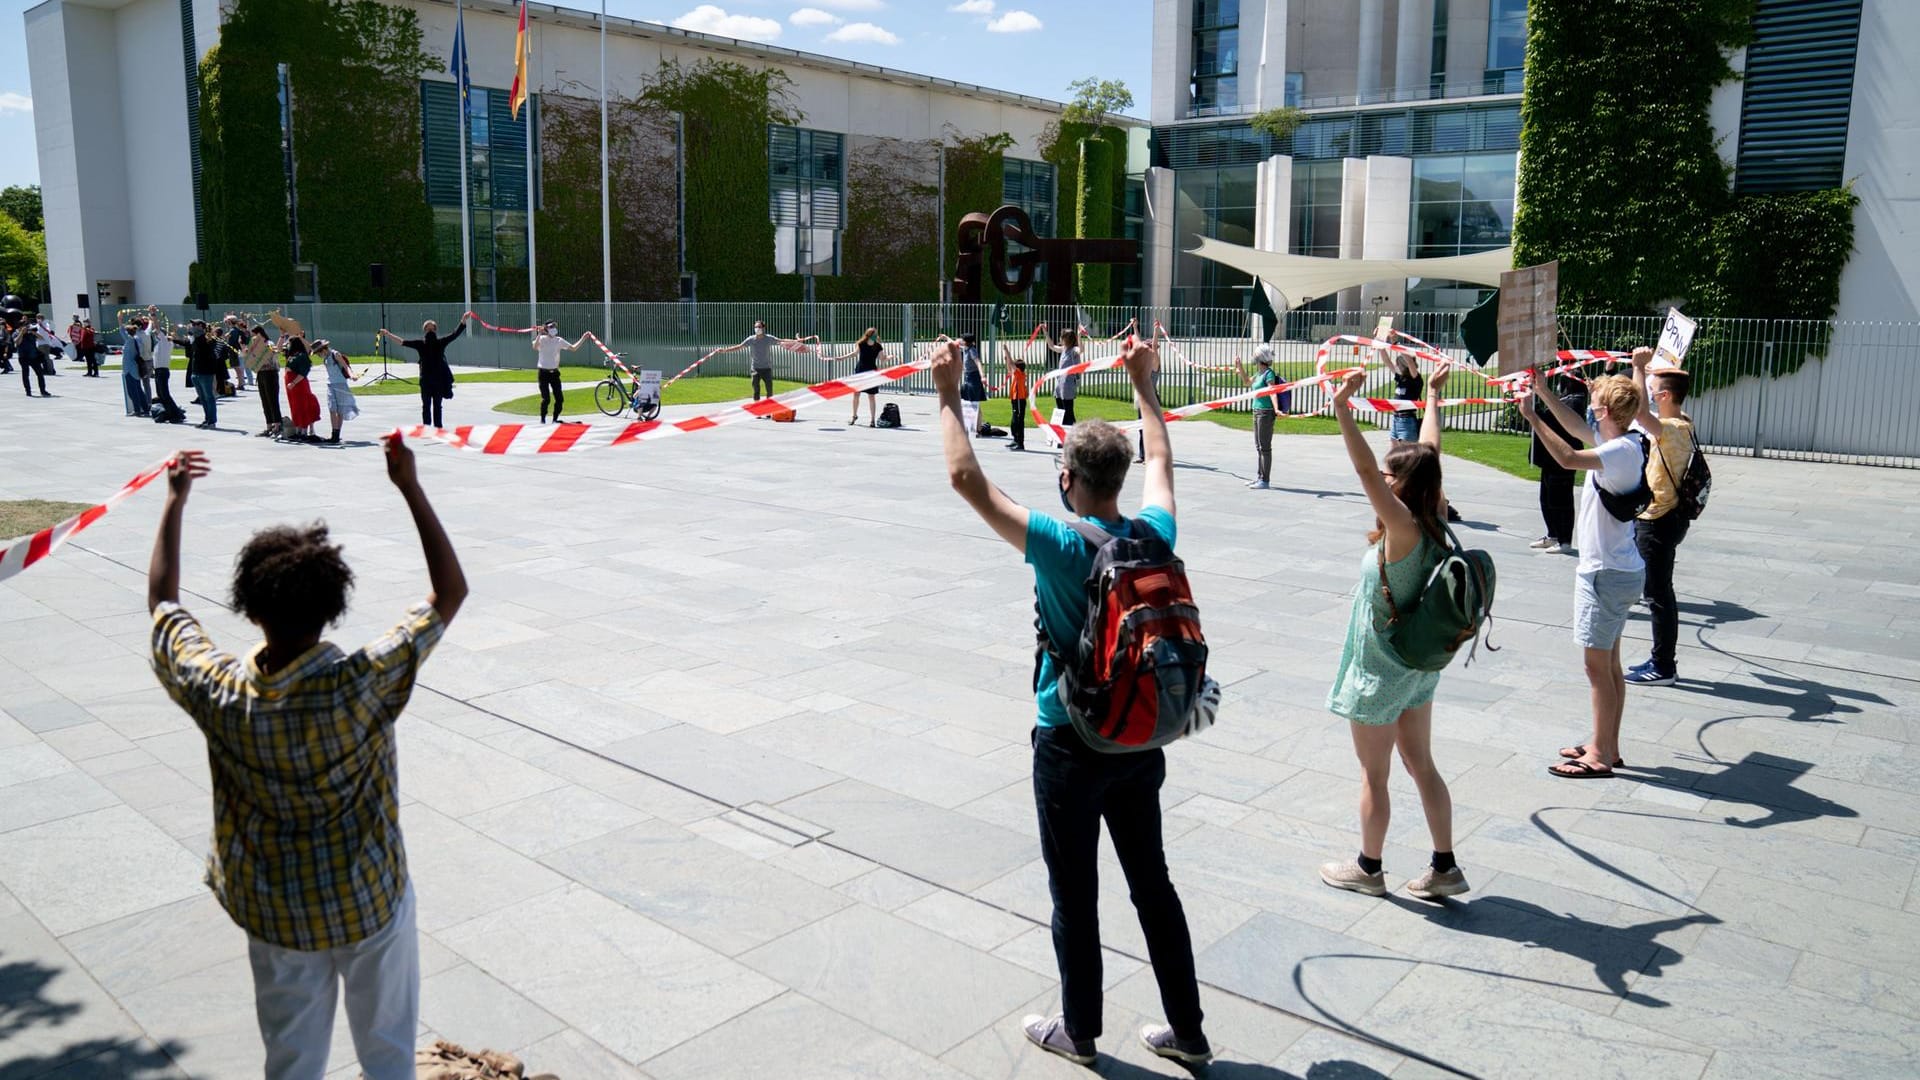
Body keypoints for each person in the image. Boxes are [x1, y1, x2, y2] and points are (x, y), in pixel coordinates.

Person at [146, 434, 466, 1080]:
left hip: (277, 910)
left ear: (252, 609)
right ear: (332, 607)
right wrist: (408, 485)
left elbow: (163, 605)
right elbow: (449, 593)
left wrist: (175, 501)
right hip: (369, 900)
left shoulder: (221, 692)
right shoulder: (361, 685)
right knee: (388, 1052)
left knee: (291, 1061)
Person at [933, 337, 1213, 1067]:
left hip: (1069, 737)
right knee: (1153, 885)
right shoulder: (1154, 532)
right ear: (1115, 479)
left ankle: (1080, 1031)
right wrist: (1144, 385)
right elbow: (1164, 465)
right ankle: (1187, 1031)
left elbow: (966, 479)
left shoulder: (1059, 541)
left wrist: (945, 391)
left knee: (1075, 894)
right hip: (1141, 738)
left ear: (1067, 480)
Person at [1319, 365, 1469, 899]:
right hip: (1417, 668)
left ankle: (1368, 868)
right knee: (1421, 765)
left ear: (1402, 486)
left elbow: (1363, 471)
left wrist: (1342, 409)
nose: (1381, 480)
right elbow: (1429, 452)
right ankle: (1444, 866)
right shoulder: (1436, 512)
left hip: (1381, 670)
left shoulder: (1404, 525)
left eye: (1390, 476)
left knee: (1374, 776)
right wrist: (1431, 395)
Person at [1518, 370, 1649, 780]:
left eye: (1594, 403)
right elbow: (1578, 430)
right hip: (1618, 570)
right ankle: (1607, 743)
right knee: (1609, 666)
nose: (1588, 407)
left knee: (1597, 669)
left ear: (1606, 410)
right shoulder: (1622, 443)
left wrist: (1533, 418)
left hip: (1605, 574)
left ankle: (1599, 755)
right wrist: (1542, 393)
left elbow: (1569, 458)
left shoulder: (1619, 453)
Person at [1626, 349, 1696, 687]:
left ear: (1665, 395)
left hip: (1658, 520)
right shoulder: (1684, 423)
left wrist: (1638, 367)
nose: (1650, 394)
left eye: (1655, 389)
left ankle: (1664, 666)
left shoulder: (1669, 428)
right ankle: (1660, 660)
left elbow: (1639, 412)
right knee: (1658, 592)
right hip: (1668, 517)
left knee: (1658, 594)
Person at [1529, 372, 1589, 554]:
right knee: (1546, 499)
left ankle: (1564, 540)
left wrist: (1533, 410)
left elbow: (1551, 421)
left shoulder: (1575, 402)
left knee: (1560, 501)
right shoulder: (1567, 400)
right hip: (1549, 458)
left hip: (1561, 461)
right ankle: (1553, 534)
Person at [380, 317, 466, 428]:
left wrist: (463, 321)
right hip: (425, 380)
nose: (430, 331)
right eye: (428, 329)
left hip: (438, 379)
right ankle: (426, 427)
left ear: (435, 330)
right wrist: (388, 334)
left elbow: (454, 334)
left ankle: (438, 427)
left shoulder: (441, 342)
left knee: (437, 406)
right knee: (426, 405)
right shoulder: (420, 344)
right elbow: (402, 342)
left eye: (432, 329)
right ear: (424, 330)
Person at [1241, 347, 1282, 489]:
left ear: (1260, 358)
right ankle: (1260, 477)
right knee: (1259, 446)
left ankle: (1265, 480)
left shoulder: (1268, 374)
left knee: (1265, 447)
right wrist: (1239, 367)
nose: (1253, 357)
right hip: (1256, 411)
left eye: (1255, 355)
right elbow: (1247, 382)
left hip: (1266, 412)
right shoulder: (1259, 373)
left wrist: (1276, 409)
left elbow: (1273, 392)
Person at [531, 322, 585, 424]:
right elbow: (534, 347)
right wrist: (539, 333)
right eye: (551, 327)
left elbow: (573, 348)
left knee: (559, 399)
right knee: (546, 399)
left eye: (555, 327)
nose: (554, 329)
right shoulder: (542, 339)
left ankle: (555, 419)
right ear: (546, 329)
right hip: (543, 373)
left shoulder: (559, 340)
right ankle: (543, 420)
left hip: (554, 373)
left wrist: (583, 338)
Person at [174, 319, 223, 428]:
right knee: (203, 398)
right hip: (195, 371)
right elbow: (187, 344)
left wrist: (201, 334)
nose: (191, 326)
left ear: (201, 326)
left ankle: (212, 421)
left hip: (205, 372)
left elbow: (210, 347)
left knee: (209, 397)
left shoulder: (207, 338)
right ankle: (207, 419)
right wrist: (174, 340)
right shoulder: (196, 338)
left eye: (194, 325)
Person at [717, 320, 781, 402]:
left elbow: (781, 341)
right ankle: (757, 411)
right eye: (755, 327)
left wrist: (796, 341)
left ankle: (768, 410)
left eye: (759, 327)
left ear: (763, 328)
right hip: (755, 368)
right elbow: (739, 346)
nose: (757, 329)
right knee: (756, 390)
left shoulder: (768, 338)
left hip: (766, 368)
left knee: (769, 390)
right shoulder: (751, 339)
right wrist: (725, 350)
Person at [834, 328, 886, 427]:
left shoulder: (878, 346)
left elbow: (882, 358)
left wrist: (887, 356)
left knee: (871, 396)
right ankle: (854, 416)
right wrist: (842, 358)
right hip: (860, 371)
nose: (876, 336)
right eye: (874, 334)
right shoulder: (861, 344)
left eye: (876, 334)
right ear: (869, 335)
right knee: (856, 394)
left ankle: (872, 420)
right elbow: (854, 354)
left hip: (871, 372)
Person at [316, 340, 360, 445]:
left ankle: (336, 435)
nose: (318, 355)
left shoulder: (335, 354)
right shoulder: (325, 358)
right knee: (332, 409)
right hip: (330, 384)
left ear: (324, 350)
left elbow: (346, 366)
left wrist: (352, 375)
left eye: (319, 353)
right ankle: (333, 434)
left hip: (340, 384)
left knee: (340, 411)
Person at [282, 335, 323, 443]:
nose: (288, 345)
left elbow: (303, 372)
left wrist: (294, 382)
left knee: (302, 405)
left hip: (298, 384)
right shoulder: (292, 355)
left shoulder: (302, 356)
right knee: (295, 406)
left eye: (289, 343)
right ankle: (298, 429)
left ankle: (304, 430)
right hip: (291, 386)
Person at [245, 325, 283, 438]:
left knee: (272, 399)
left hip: (270, 373)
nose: (253, 337)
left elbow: (275, 352)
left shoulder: (268, 343)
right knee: (265, 400)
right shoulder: (254, 345)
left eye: (254, 335)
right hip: (261, 373)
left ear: (259, 334)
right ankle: (269, 426)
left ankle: (277, 425)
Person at [1387, 353, 1424, 443]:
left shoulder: (1415, 379)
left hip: (1407, 422)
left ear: (1404, 365)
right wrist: (1380, 346)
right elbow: (1387, 362)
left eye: (1398, 364)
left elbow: (1410, 362)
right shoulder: (1400, 378)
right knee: (1395, 455)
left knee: (1407, 456)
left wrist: (1397, 344)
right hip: (1395, 420)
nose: (1395, 366)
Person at [1048, 329, 1081, 427]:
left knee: (1068, 413)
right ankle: (1062, 435)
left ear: (1066, 339)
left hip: (1068, 386)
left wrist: (1079, 336)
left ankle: (1074, 434)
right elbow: (1051, 346)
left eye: (1062, 336)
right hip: (1060, 385)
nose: (1060, 338)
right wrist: (1045, 332)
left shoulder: (1073, 351)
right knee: (1060, 411)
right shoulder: (1063, 349)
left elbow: (1081, 350)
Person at [959, 333, 989, 436]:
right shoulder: (965, 348)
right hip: (968, 378)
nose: (960, 341)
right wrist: (945, 337)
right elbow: (955, 342)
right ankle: (975, 427)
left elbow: (978, 362)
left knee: (975, 405)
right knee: (970, 404)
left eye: (962, 339)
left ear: (966, 342)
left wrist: (983, 376)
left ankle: (978, 428)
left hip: (974, 378)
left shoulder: (972, 350)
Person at [121, 319, 151, 416]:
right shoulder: (137, 339)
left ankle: (137, 410)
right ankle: (145, 409)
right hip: (134, 368)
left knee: (132, 391)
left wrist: (120, 320)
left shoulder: (130, 340)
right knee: (138, 389)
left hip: (129, 369)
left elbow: (121, 331)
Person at [16, 320, 48, 397]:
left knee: (40, 374)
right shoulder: (16, 333)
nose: (26, 327)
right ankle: (28, 391)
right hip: (23, 357)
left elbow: (41, 338)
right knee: (26, 374)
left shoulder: (31, 333)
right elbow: (17, 342)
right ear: (20, 327)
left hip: (34, 357)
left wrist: (33, 332)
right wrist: (21, 333)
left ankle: (43, 390)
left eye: (27, 325)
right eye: (24, 325)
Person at [1006, 348, 1029, 451]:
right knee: (1014, 421)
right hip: (1015, 399)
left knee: (1018, 422)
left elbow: (1012, 366)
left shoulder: (1020, 374)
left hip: (1020, 400)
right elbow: (1009, 368)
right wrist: (1007, 358)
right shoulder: (1017, 374)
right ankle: (1015, 439)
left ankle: (1020, 443)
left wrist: (1007, 351)